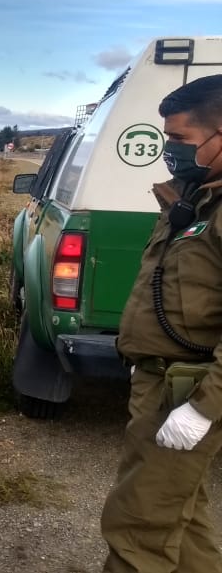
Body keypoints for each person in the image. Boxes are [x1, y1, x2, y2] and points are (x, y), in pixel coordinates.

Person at [101, 74, 222, 573]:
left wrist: (203, 408)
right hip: (161, 380)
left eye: (181, 140)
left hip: (189, 392)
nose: (168, 151)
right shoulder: (196, 199)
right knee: (183, 518)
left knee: (138, 528)